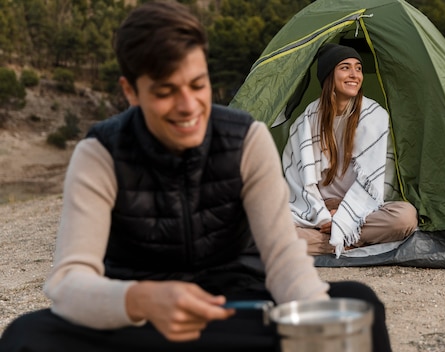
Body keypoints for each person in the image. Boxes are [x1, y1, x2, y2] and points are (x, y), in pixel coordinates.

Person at [0, 2, 392, 351]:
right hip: (141, 322)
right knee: (27, 335)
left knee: (360, 304)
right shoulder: (100, 153)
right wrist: (139, 299)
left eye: (198, 85)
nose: (188, 106)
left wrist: (317, 320)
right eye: (166, 91)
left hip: (234, 311)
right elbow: (68, 282)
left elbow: (283, 261)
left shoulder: (246, 139)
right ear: (131, 91)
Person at [282, 43, 418, 257]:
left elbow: (379, 181)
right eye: (345, 67)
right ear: (329, 75)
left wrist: (345, 215)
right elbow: (298, 183)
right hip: (320, 208)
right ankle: (348, 240)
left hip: (364, 210)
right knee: (268, 226)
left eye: (358, 68)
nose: (354, 74)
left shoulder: (375, 117)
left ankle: (334, 240)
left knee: (405, 217)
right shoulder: (305, 122)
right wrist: (324, 216)